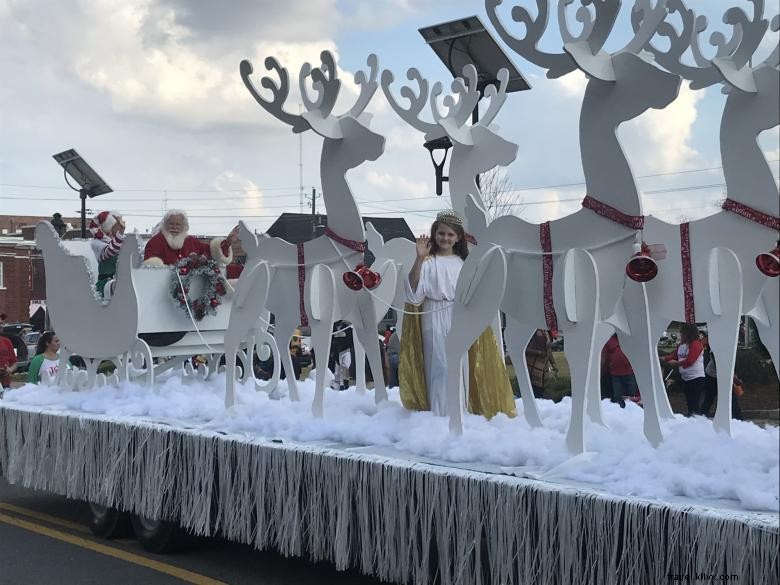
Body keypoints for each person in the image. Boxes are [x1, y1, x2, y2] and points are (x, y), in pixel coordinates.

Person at [401, 210, 516, 418]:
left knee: (462, 365)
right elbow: (413, 293)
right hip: (434, 315)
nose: (445, 238)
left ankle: (459, 412)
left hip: (459, 316)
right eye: (441, 233)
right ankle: (440, 414)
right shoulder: (428, 262)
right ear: (435, 235)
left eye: (450, 234)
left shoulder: (464, 263)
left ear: (458, 238)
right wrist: (419, 259)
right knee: (440, 366)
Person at [143, 209, 238, 267]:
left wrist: (228, 241)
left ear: (184, 226)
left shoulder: (192, 241)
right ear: (165, 225)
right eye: (171, 224)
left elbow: (213, 252)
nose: (175, 227)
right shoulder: (155, 242)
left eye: (178, 224)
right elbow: (150, 268)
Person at [663, 323, 705, 416]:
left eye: (682, 332)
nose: (680, 334)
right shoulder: (681, 345)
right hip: (686, 378)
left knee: (694, 403)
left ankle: (696, 421)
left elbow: (690, 361)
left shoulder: (696, 344)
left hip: (696, 378)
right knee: (689, 402)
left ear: (688, 333)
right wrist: (663, 358)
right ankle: (692, 418)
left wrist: (677, 363)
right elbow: (674, 355)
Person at [89, 211, 126, 299]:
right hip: (106, 284)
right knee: (120, 287)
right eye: (118, 223)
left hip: (119, 280)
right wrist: (120, 233)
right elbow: (110, 251)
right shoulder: (97, 243)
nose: (123, 223)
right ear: (110, 227)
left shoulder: (119, 241)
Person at [601, 334, 639, 407]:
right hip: (616, 374)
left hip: (631, 372)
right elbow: (604, 357)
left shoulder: (630, 337)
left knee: (632, 397)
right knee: (618, 398)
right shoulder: (609, 340)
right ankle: (620, 415)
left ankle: (634, 414)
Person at [525, 329, 557, 399]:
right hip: (532, 367)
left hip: (543, 369)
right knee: (534, 390)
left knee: (542, 390)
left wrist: (553, 363)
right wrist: (539, 353)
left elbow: (549, 350)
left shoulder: (546, 332)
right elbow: (524, 349)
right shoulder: (532, 332)